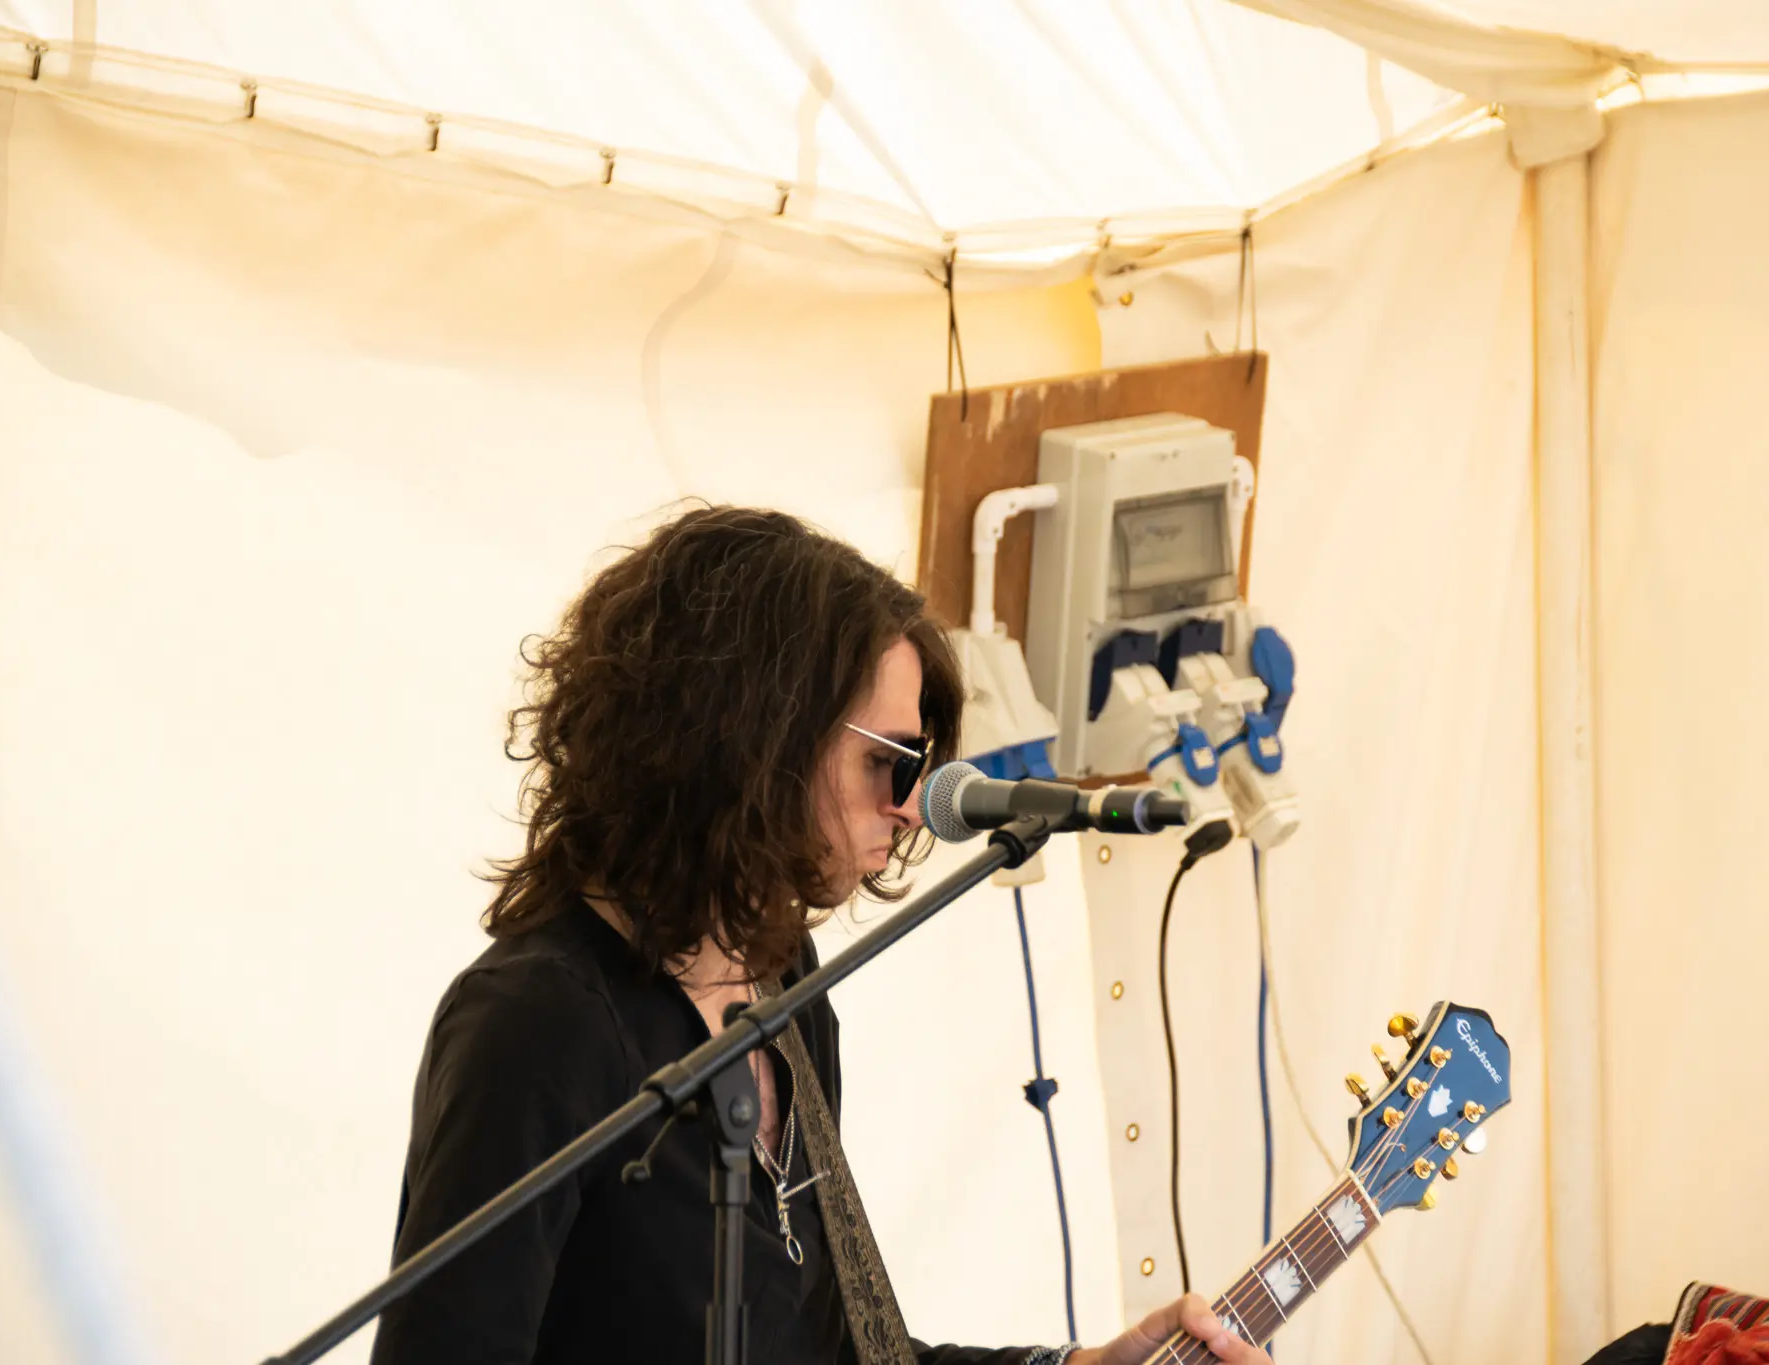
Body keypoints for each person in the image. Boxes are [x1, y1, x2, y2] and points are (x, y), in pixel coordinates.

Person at [371, 506, 1265, 1365]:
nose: (913, 806)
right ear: (754, 737)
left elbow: (843, 1351)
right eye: (890, 761)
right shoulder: (537, 1023)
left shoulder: (779, 977)